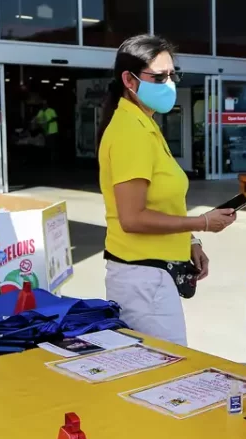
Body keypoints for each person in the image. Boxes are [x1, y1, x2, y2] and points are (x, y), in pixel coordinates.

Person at [98, 35, 236, 346]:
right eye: (159, 77)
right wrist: (202, 222)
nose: (169, 84)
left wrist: (190, 240)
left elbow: (161, 202)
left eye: (173, 75)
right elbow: (132, 218)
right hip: (143, 279)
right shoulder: (130, 132)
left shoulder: (145, 124)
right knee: (166, 365)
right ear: (129, 80)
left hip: (153, 274)